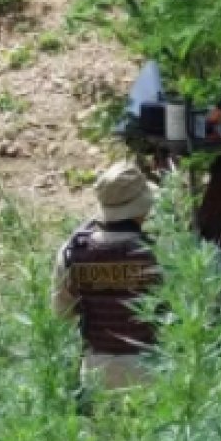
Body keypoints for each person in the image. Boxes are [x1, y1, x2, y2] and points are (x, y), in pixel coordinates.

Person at [51, 162, 161, 390]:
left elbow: (63, 313)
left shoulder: (72, 252)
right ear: (141, 208)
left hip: (97, 372)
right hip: (150, 370)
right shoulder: (159, 253)